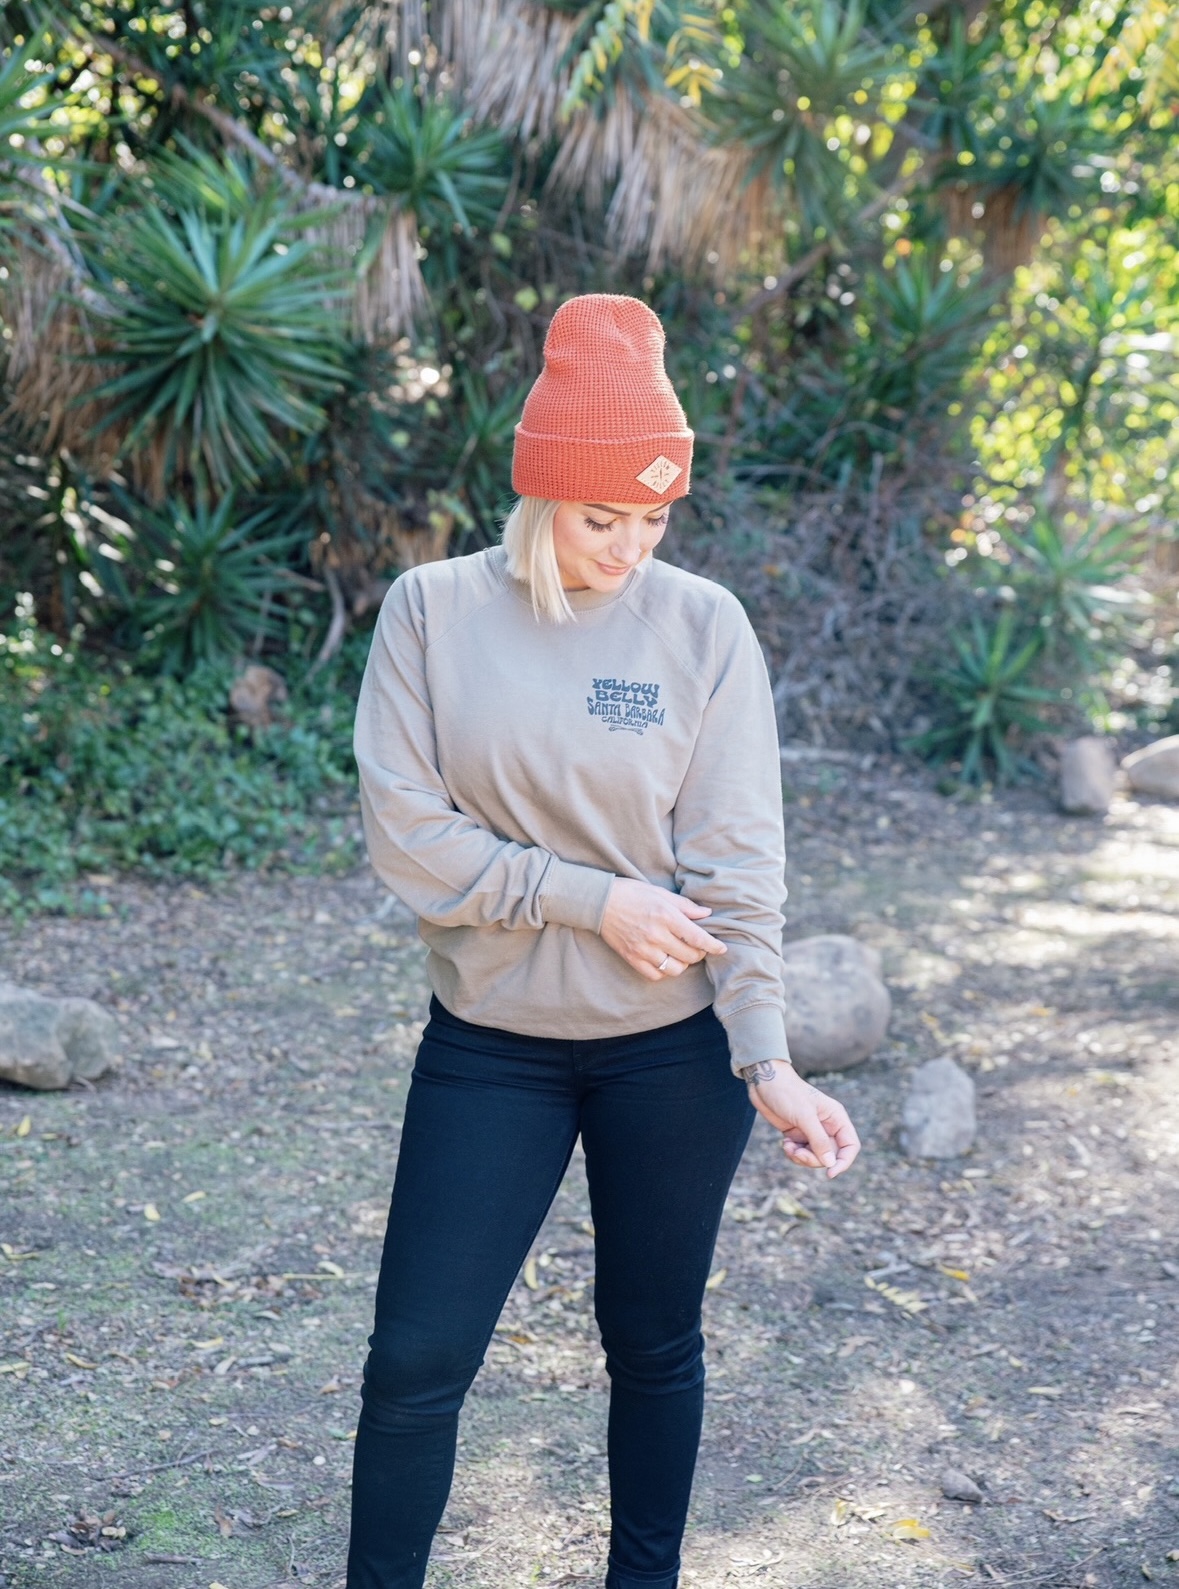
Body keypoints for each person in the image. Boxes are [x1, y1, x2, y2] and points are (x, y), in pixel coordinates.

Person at [348, 293, 860, 1589]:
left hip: (670, 1057)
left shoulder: (703, 629)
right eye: (599, 517)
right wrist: (592, 897)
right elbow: (409, 842)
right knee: (417, 1354)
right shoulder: (430, 614)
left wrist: (767, 1055)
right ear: (539, 494)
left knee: (653, 1339)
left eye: (653, 517)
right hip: (490, 1050)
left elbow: (740, 865)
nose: (629, 546)